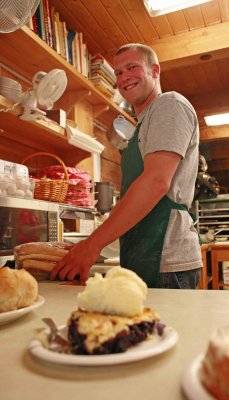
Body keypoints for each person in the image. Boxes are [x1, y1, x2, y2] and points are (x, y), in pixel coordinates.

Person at [50, 43, 202, 288]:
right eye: (118, 72)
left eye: (132, 67)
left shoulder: (169, 105)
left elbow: (155, 183)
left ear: (154, 70)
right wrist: (86, 245)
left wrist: (90, 246)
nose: (124, 77)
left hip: (167, 260)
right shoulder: (142, 125)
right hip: (141, 256)